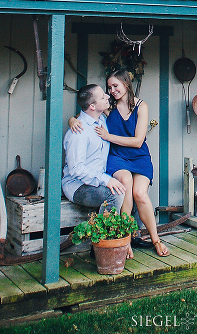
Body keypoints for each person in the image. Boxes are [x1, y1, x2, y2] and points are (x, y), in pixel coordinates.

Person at [69, 70, 168, 257]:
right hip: (117, 156)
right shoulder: (108, 107)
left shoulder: (141, 106)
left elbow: (138, 141)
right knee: (125, 184)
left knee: (140, 193)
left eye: (116, 86)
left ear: (126, 84)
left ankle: (156, 240)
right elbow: (86, 113)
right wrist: (72, 120)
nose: (112, 90)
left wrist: (108, 136)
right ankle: (125, 238)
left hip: (139, 156)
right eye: (109, 87)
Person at [62, 83, 131, 257]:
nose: (107, 96)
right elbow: (77, 169)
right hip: (78, 186)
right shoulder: (79, 131)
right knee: (114, 194)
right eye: (102, 97)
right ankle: (103, 248)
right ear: (92, 106)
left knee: (129, 188)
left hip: (96, 180)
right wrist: (106, 180)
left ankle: (128, 242)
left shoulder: (102, 121)